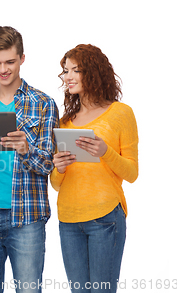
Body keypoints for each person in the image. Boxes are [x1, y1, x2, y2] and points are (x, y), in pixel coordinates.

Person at [0, 26, 59, 293]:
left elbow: (48, 165)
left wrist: (26, 149)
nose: (3, 69)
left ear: (22, 59)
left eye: (10, 62)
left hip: (27, 216)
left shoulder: (43, 104)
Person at [50, 44, 138, 293]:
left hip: (105, 218)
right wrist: (59, 168)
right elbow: (56, 184)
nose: (67, 77)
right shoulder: (64, 122)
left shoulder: (120, 113)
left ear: (93, 72)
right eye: (65, 71)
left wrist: (105, 153)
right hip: (68, 220)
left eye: (74, 70)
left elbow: (132, 173)